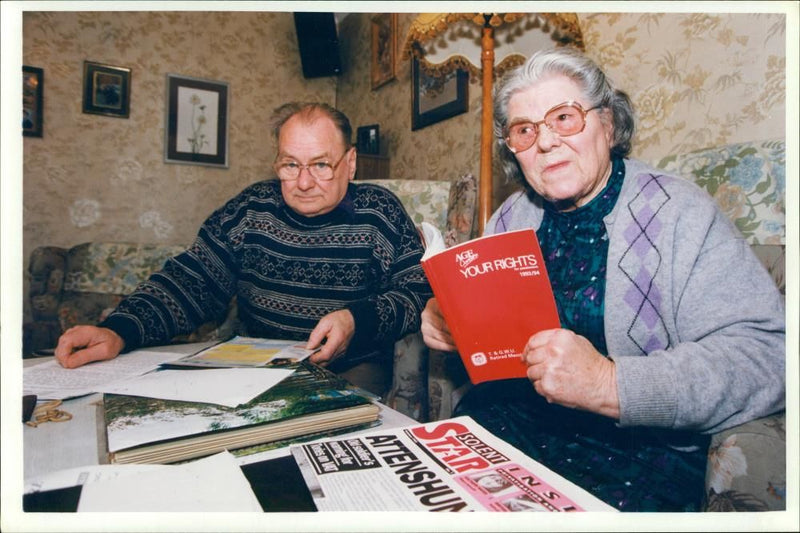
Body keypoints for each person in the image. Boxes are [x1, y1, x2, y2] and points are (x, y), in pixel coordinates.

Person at [420, 48, 785, 512]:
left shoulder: (679, 212)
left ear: (608, 126)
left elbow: (766, 357)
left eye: (565, 117)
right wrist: (450, 315)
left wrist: (610, 383)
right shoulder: (513, 214)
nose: (545, 142)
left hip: (638, 456)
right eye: (525, 130)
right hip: (511, 425)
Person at [55, 102, 432, 395]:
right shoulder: (249, 210)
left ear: (350, 164)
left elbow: (415, 294)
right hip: (257, 365)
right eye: (290, 165)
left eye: (320, 165)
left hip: (350, 367)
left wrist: (356, 320)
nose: (303, 182)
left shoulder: (380, 212)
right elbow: (191, 280)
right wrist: (120, 331)